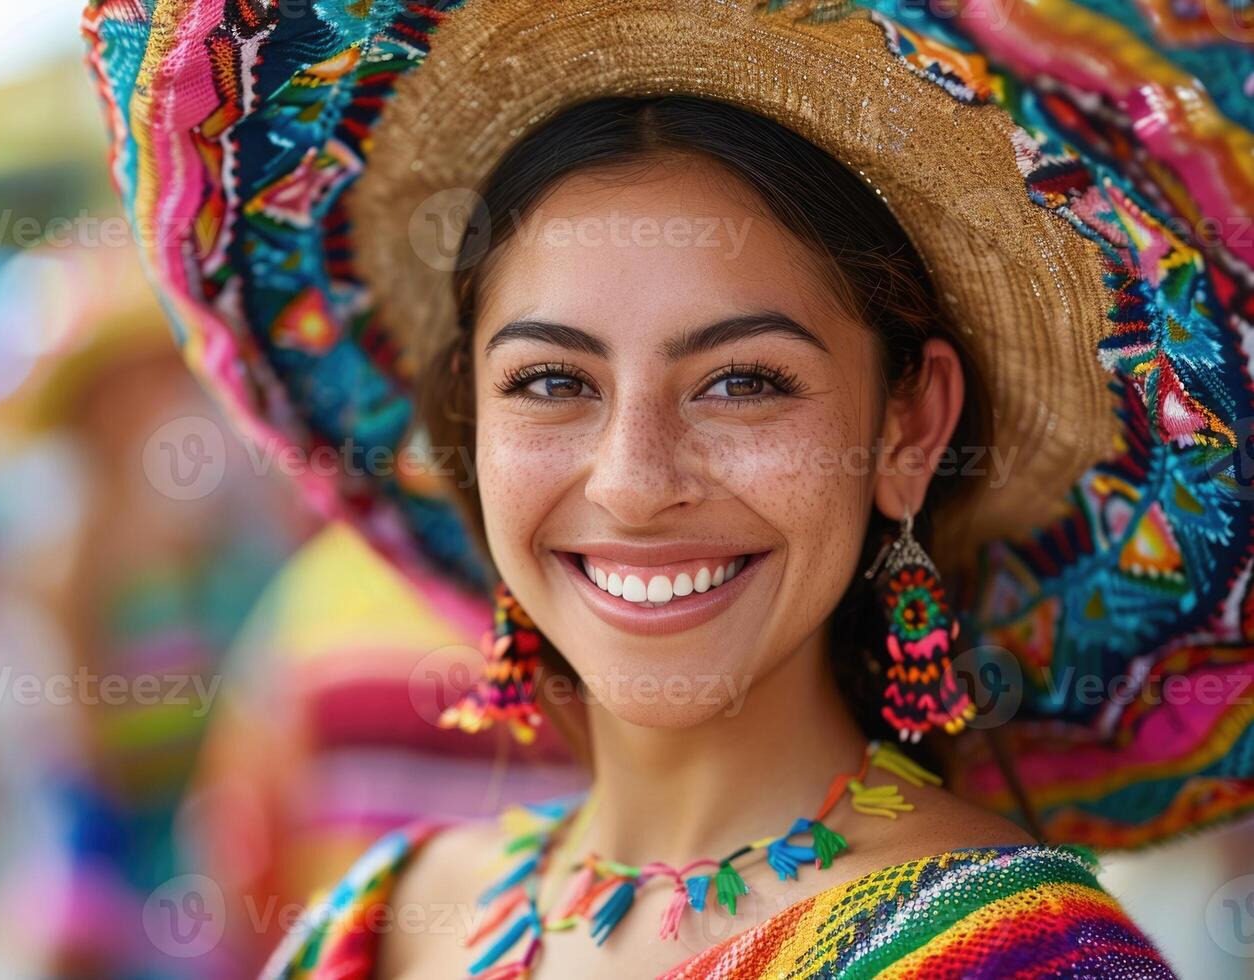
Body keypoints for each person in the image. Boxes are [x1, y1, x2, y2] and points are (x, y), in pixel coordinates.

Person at [82, 0, 1254, 975]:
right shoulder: (376, 925)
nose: (636, 483)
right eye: (551, 382)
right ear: (469, 424)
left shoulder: (1023, 961)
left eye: (744, 381)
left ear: (910, 425)